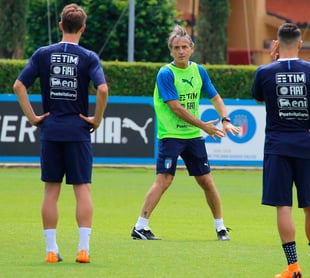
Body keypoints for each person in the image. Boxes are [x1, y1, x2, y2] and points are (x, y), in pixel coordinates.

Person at [13, 3, 108, 264]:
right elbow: (102, 90)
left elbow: (19, 85)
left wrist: (32, 117)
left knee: (50, 191)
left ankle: (51, 250)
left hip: (51, 129)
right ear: (83, 28)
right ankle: (84, 249)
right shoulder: (89, 57)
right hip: (78, 131)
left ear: (60, 25)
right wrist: (96, 119)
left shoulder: (43, 54)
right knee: (82, 189)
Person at [251, 23, 310, 278]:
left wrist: (272, 61)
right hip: (306, 146)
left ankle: (293, 268)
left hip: (277, 148)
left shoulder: (264, 71)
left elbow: (259, 97)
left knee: (283, 206)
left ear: (277, 44)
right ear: (300, 43)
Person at [131, 25, 240, 241]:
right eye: (176, 48)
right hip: (171, 135)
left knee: (207, 181)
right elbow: (175, 107)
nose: (181, 51)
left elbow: (216, 98)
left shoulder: (198, 71)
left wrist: (225, 120)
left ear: (192, 48)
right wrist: (204, 126)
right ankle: (140, 227)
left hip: (193, 137)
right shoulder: (166, 73)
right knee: (164, 180)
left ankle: (220, 228)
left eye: (184, 47)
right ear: (171, 51)